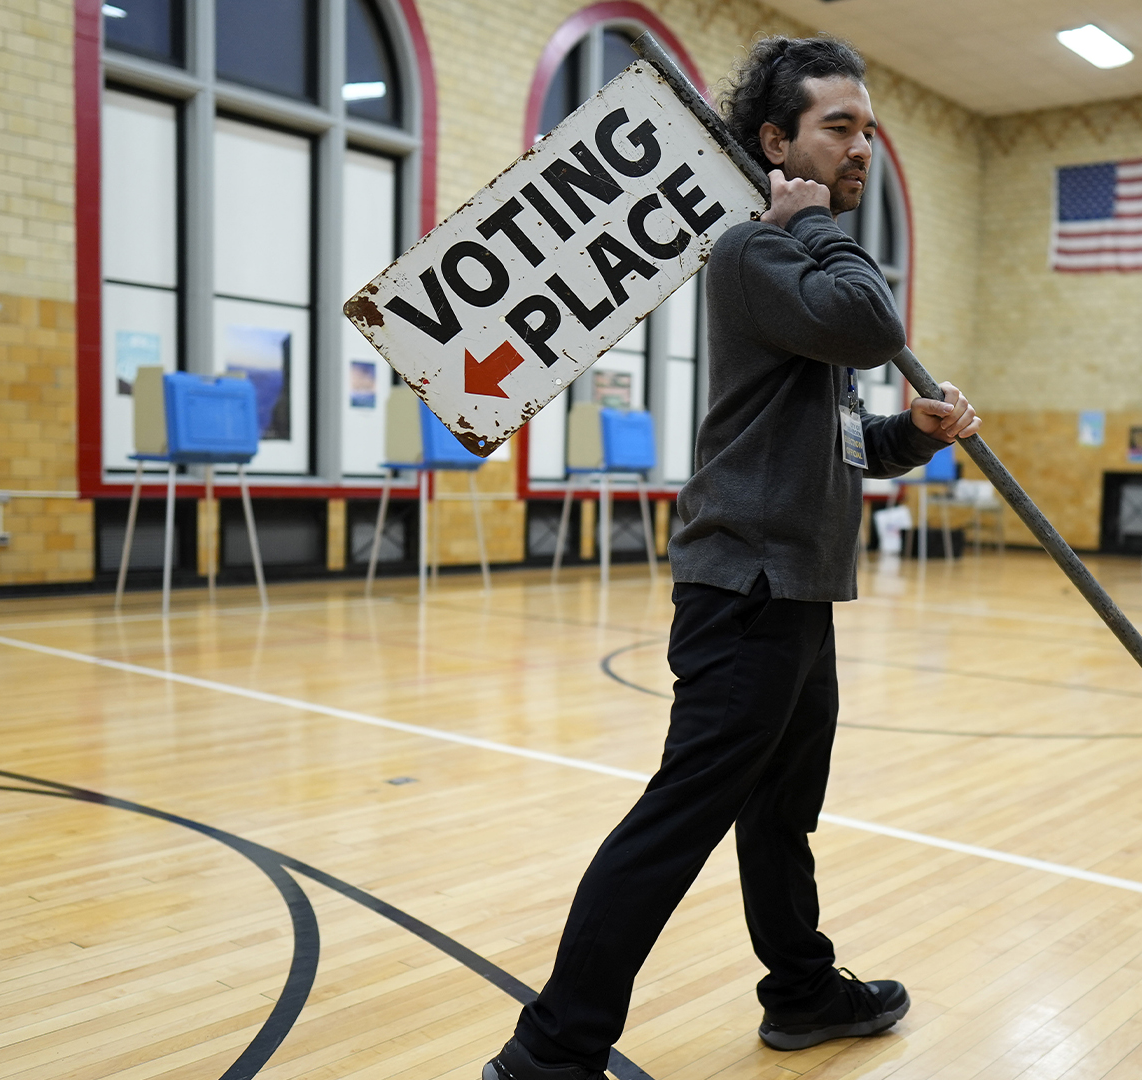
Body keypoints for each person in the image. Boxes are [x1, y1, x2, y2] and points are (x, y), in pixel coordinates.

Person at [485, 34, 981, 1080]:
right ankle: (549, 1052)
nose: (863, 150)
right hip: (746, 588)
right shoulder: (755, 253)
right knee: (679, 820)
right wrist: (814, 228)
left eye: (867, 130)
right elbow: (870, 319)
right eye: (838, 129)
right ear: (775, 142)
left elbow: (840, 438)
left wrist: (914, 437)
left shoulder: (799, 265)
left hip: (797, 588)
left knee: (779, 817)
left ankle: (799, 991)